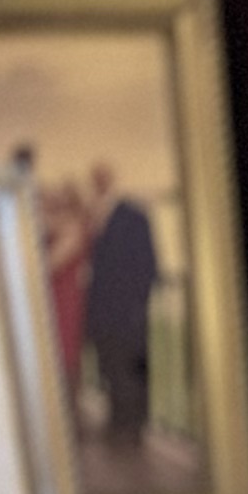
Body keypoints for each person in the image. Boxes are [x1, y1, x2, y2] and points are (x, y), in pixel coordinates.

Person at [80, 170, 159, 446]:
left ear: (109, 181)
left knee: (133, 363)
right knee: (111, 362)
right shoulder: (93, 215)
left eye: (101, 178)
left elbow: (149, 263)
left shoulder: (133, 215)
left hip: (128, 308)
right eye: (95, 179)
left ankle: (136, 425)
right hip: (103, 307)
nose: (97, 183)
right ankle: (118, 419)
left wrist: (139, 302)